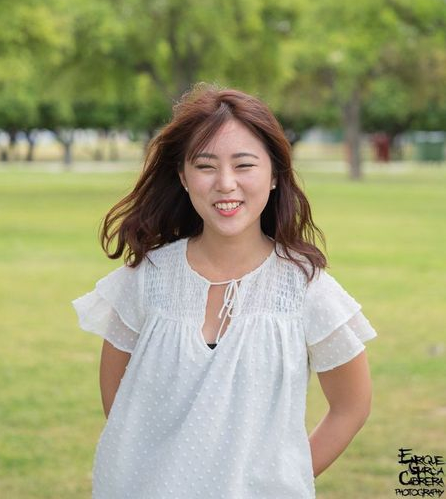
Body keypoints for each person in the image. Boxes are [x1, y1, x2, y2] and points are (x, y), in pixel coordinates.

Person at [72, 82, 377, 499]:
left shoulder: (306, 288)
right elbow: (118, 404)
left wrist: (282, 477)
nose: (226, 183)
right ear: (183, 176)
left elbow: (351, 406)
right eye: (206, 166)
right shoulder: (146, 277)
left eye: (244, 165)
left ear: (275, 175)